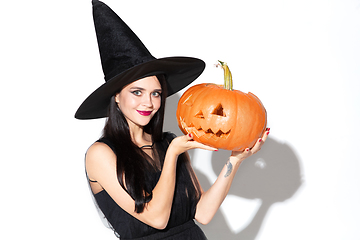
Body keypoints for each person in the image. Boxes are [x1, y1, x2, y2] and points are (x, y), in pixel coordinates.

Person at [75, 1, 269, 239]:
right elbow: (156, 218)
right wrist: (172, 155)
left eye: (155, 93)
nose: (148, 102)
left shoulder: (168, 143)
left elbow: (203, 214)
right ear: (116, 97)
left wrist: (236, 160)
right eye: (137, 92)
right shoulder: (101, 153)